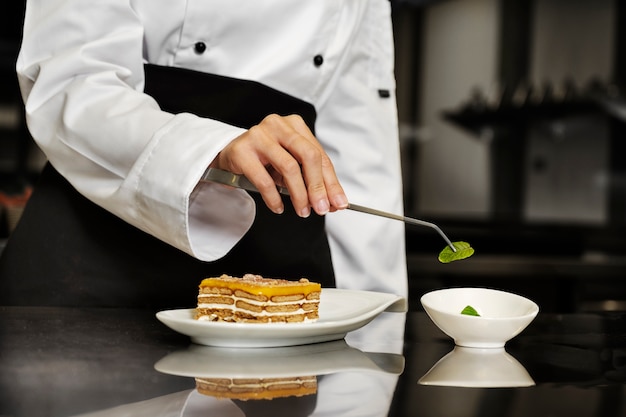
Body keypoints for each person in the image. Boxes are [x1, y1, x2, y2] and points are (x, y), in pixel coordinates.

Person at [0, 0, 407, 308]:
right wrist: (211, 147)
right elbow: (70, 82)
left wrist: (377, 318)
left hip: (275, 270)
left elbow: (357, 138)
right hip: (98, 255)